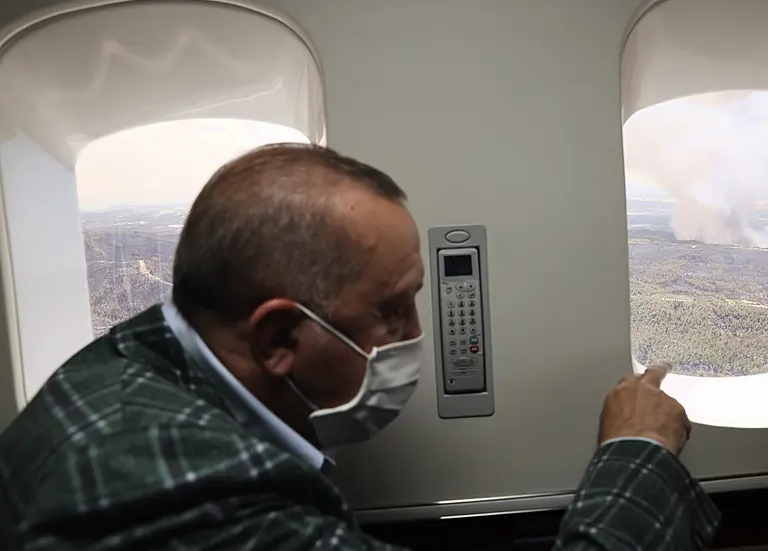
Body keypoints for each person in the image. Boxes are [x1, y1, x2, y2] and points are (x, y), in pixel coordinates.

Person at [0, 143, 720, 550]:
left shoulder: (123, 363)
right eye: (390, 309)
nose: (414, 335)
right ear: (279, 336)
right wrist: (638, 452)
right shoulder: (191, 503)